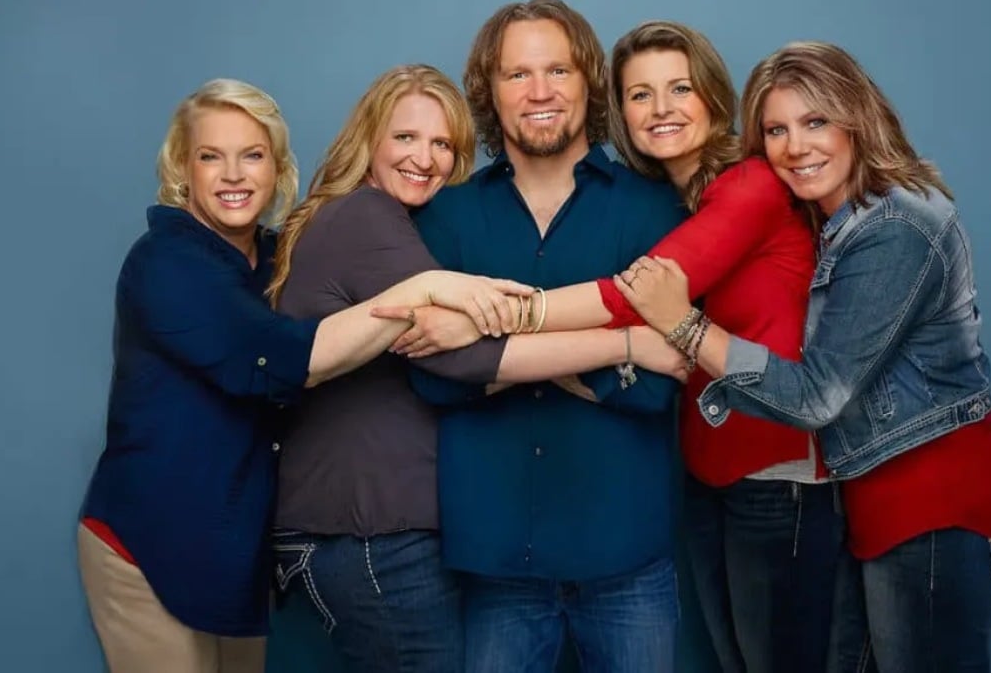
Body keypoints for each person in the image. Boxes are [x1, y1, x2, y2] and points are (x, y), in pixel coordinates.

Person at [76, 78, 530, 673]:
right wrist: (423, 289)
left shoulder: (272, 257)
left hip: (232, 547)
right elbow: (288, 359)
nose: (234, 174)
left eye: (253, 155)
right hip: (149, 539)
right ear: (182, 169)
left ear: (278, 167)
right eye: (211, 156)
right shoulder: (166, 264)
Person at [616, 41, 991, 673]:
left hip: (936, 506)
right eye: (776, 130)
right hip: (878, 504)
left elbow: (818, 396)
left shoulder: (896, 226)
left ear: (857, 118)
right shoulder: (836, 223)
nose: (795, 146)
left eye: (816, 122)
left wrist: (686, 327)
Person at [263, 64, 684, 673]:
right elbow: (452, 364)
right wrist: (628, 345)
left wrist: (484, 335)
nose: (424, 158)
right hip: (375, 537)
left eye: (442, 144)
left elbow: (653, 397)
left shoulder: (415, 223)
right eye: (405, 138)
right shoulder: (372, 218)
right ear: (369, 139)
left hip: (405, 535)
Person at [399, 1, 687, 671]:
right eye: (516, 74)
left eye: (557, 69)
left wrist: (486, 349)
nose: (539, 91)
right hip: (496, 566)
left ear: (588, 81)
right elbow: (430, 376)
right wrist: (614, 340)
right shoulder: (447, 214)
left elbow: (658, 387)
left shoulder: (653, 208)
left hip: (628, 561)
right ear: (488, 91)